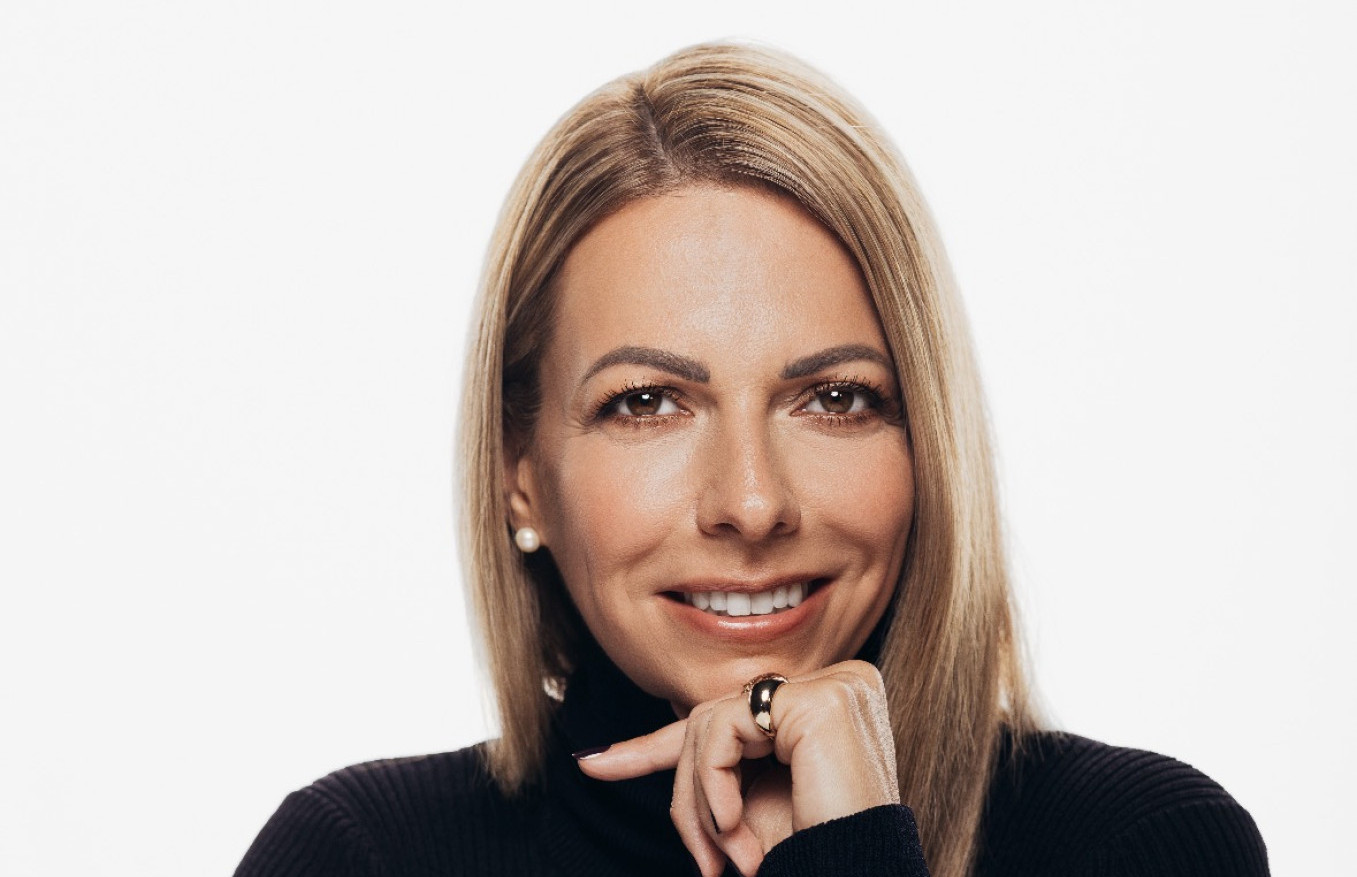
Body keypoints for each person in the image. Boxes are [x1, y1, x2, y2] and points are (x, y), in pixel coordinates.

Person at [235, 42, 1268, 877]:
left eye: (835, 398)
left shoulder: (1140, 844)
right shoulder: (360, 855)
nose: (752, 500)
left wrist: (851, 851)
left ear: (927, 443)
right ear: (521, 475)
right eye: (647, 402)